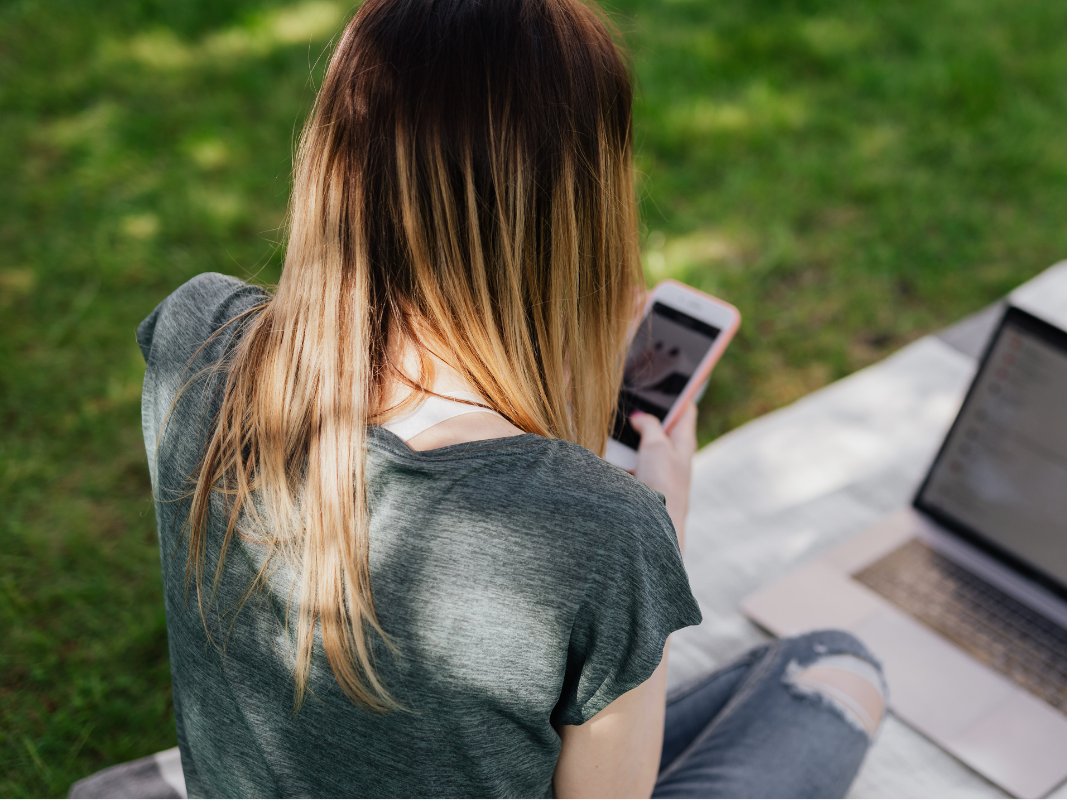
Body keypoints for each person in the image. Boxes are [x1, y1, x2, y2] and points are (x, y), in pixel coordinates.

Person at [135, 0, 887, 797]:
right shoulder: (602, 532)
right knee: (834, 670)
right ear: (577, 208)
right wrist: (659, 527)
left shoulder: (194, 337)